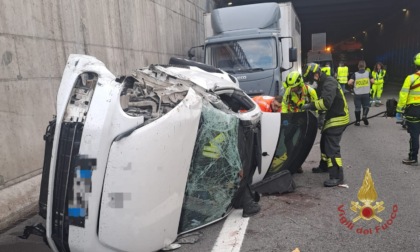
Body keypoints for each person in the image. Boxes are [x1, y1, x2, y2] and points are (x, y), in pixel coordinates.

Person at [301, 63, 350, 187]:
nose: (311, 83)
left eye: (311, 80)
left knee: (331, 147)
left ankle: (337, 177)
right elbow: (319, 100)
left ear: (316, 75)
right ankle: (324, 166)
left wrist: (309, 106)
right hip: (332, 116)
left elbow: (326, 103)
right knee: (323, 142)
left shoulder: (329, 83)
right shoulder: (322, 83)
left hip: (339, 117)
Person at [282, 71, 318, 174]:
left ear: (299, 84)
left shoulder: (310, 91)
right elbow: (284, 105)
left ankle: (298, 164)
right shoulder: (288, 91)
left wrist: (317, 119)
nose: (292, 89)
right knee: (287, 139)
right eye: (291, 87)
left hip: (305, 120)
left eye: (294, 87)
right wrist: (285, 119)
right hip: (293, 118)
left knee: (301, 142)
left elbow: (316, 105)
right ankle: (292, 161)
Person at [396, 52, 420, 166]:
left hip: (413, 110)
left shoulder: (410, 78)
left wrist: (399, 110)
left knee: (414, 135)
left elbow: (403, 95)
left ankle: (412, 157)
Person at [348, 60, 374, 126]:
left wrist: (353, 85)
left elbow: (349, 82)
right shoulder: (368, 73)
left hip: (357, 94)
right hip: (366, 93)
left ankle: (357, 122)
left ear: (358, 66)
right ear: (365, 66)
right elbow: (373, 81)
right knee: (366, 106)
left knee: (357, 108)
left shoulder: (355, 74)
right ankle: (364, 116)